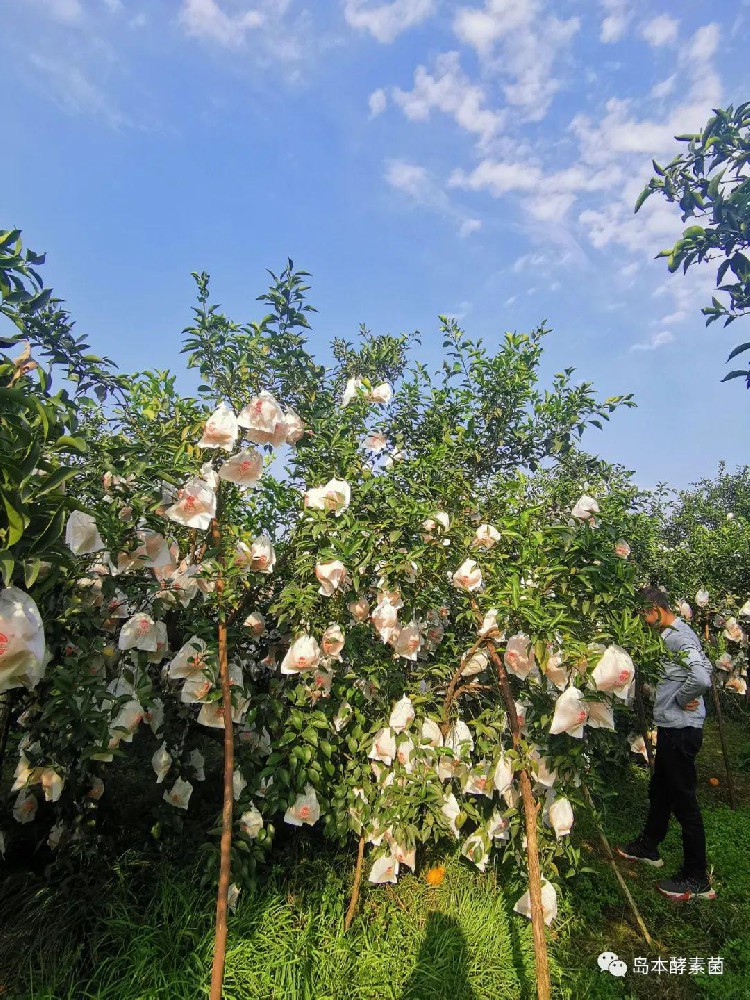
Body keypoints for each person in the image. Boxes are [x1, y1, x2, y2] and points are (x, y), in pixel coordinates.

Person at [616, 586, 716, 900]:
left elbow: (702, 678)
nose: (642, 622)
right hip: (675, 726)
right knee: (660, 788)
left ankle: (697, 877)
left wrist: (683, 697)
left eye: (643, 615)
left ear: (656, 609)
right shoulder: (680, 632)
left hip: (682, 729)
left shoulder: (676, 637)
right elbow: (706, 665)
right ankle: (649, 846)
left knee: (684, 800)